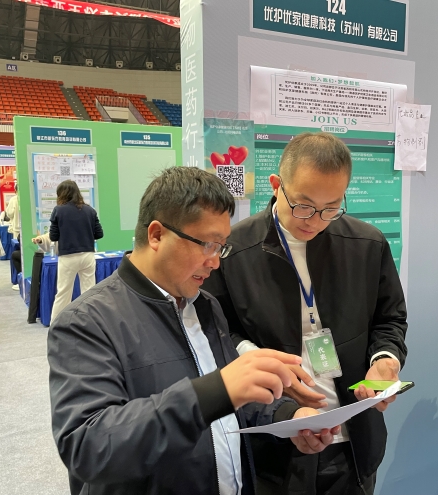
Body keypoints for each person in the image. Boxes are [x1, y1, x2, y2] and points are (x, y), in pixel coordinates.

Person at [48, 167, 338, 495]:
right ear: (156, 235)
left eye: (221, 247)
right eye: (207, 245)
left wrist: (288, 417)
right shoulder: (86, 322)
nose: (215, 262)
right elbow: (89, 447)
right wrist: (215, 390)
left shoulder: (205, 306)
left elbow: (232, 403)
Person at [203, 133, 408, 495]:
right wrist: (260, 362)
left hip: (353, 436)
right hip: (276, 437)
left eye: (331, 208)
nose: (315, 220)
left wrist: (385, 360)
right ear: (277, 185)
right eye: (304, 205)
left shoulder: (366, 244)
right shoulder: (233, 251)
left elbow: (389, 318)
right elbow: (217, 334)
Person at [48, 180, 104, 323]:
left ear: (61, 194)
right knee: (89, 292)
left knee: (63, 293)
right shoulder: (90, 210)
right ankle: (91, 324)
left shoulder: (58, 210)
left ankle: (56, 324)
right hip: (88, 255)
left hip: (67, 257)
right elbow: (99, 234)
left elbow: (53, 236)